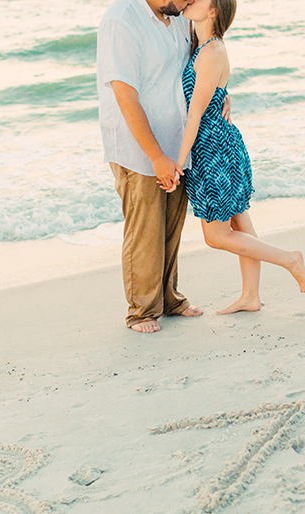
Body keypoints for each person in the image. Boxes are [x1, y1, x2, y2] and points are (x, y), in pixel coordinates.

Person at [177, 0, 305, 315]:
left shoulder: (211, 52)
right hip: (216, 144)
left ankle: (290, 259)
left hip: (213, 150)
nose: (190, 1)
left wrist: (177, 163)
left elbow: (195, 113)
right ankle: (251, 296)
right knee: (239, 221)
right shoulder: (202, 46)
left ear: (213, 11)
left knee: (216, 235)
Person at [97, 0, 204, 333]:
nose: (190, 2)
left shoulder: (179, 18)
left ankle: (169, 299)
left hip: (177, 142)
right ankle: (141, 311)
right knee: (146, 229)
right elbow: (125, 94)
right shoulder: (121, 19)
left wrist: (220, 94)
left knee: (172, 226)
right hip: (137, 148)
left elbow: (196, 65)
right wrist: (156, 156)